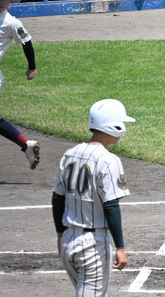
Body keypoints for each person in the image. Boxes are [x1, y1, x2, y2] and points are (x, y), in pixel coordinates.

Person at [51, 99, 135, 296]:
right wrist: (120, 247)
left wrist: (60, 233)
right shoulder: (109, 161)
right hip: (93, 248)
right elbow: (111, 206)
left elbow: (57, 198)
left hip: (68, 243)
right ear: (112, 125)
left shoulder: (70, 154)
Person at [0, 0, 39, 170]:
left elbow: (27, 43)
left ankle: (26, 145)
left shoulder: (11, 23)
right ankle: (27, 146)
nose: (0, 2)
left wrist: (31, 67)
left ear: (10, 1)